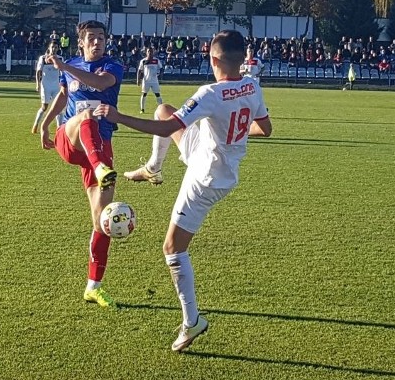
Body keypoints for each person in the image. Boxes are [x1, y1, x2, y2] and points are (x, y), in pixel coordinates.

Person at [93, 30, 273, 351]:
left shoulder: (210, 93)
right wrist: (234, 132)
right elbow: (265, 128)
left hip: (207, 178)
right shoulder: (253, 85)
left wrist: (119, 116)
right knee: (163, 109)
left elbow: (166, 130)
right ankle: (153, 167)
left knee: (173, 248)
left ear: (214, 59)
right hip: (207, 151)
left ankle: (192, 322)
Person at [39, 20, 123, 308]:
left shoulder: (113, 67)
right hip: (71, 140)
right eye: (91, 38)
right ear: (81, 42)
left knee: (103, 220)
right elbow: (63, 97)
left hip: (101, 146)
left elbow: (100, 84)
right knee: (86, 118)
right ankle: (100, 168)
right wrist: (46, 124)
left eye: (101, 37)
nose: (97, 42)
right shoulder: (72, 65)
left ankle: (93, 286)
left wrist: (64, 68)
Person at [32, 42, 63, 134]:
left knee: (59, 107)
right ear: (49, 47)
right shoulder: (43, 58)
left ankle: (59, 129)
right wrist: (38, 84)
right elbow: (38, 72)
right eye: (52, 47)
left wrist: (64, 84)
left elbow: (63, 72)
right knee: (44, 107)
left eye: (56, 47)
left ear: (57, 48)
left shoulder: (60, 58)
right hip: (45, 85)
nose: (54, 48)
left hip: (57, 86)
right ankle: (36, 124)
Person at [136, 47, 164, 114]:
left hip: (154, 81)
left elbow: (161, 68)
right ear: (146, 52)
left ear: (153, 52)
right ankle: (142, 109)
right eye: (148, 51)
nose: (150, 53)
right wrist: (138, 79)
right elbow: (139, 71)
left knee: (157, 94)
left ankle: (161, 109)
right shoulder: (143, 61)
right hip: (146, 81)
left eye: (151, 51)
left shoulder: (156, 60)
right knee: (144, 94)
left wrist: (160, 75)